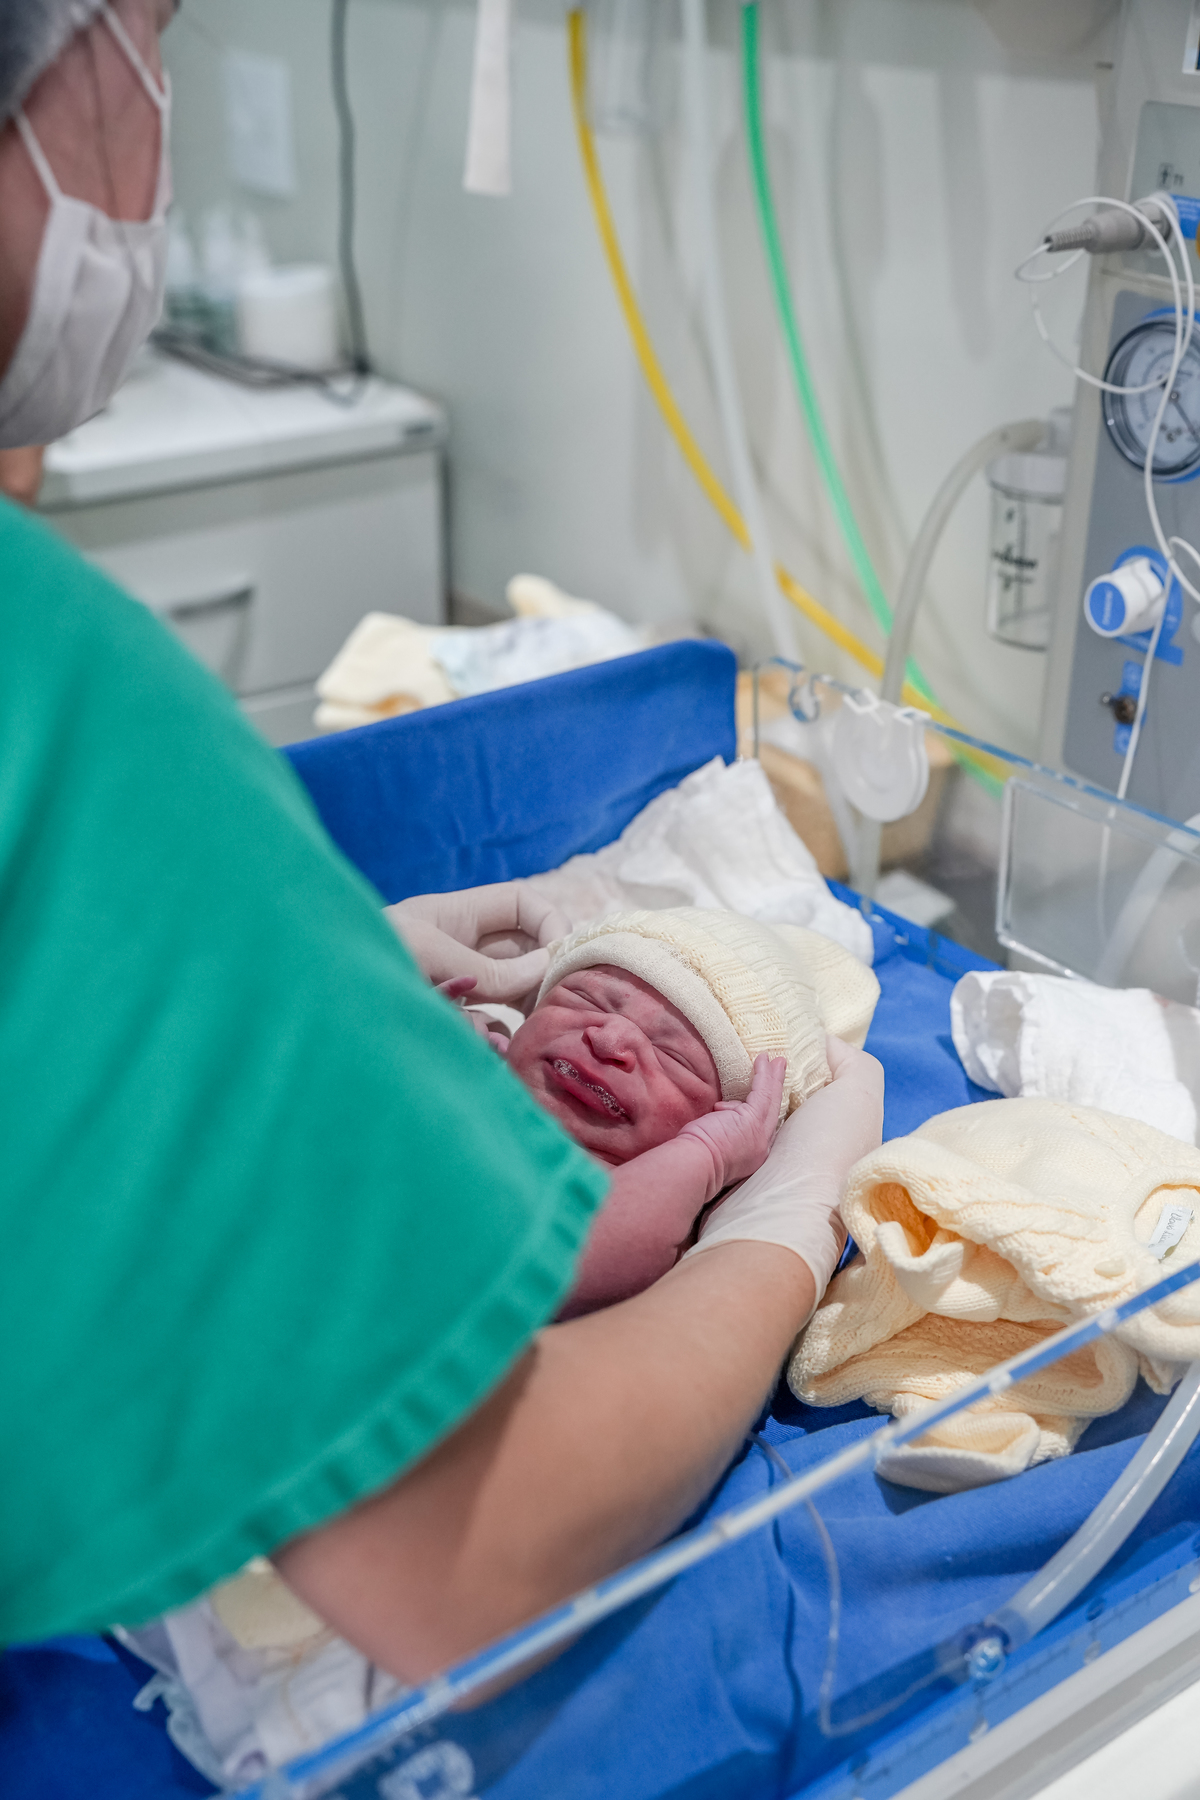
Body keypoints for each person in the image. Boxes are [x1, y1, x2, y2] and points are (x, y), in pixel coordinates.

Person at [0, 0, 884, 1698]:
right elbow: (474, 1539)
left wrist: (284, 985)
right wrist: (782, 1215)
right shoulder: (65, 694)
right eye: (153, 30)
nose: (160, 107)